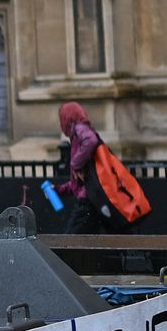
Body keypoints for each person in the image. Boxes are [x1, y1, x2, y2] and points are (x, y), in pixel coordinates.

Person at [56, 100, 109, 235]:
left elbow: (91, 140)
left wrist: (74, 163)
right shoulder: (77, 136)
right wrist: (58, 189)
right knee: (84, 242)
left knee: (70, 240)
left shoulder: (79, 128)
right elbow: (79, 183)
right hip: (91, 200)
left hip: (88, 202)